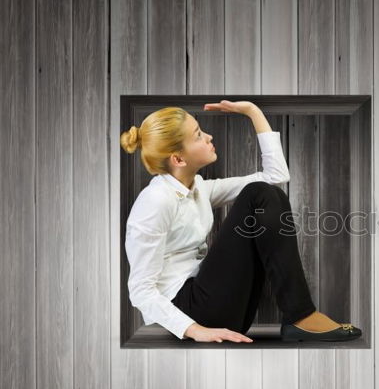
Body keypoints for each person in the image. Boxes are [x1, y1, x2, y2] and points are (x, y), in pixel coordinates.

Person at [119, 99, 362, 343]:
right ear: (178, 159)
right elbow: (140, 290)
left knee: (267, 192)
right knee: (257, 194)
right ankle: (300, 317)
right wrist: (194, 329)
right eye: (198, 136)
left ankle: (299, 317)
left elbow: (275, 178)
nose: (209, 137)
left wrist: (253, 112)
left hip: (223, 308)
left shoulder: (199, 188)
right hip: (192, 311)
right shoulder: (155, 201)